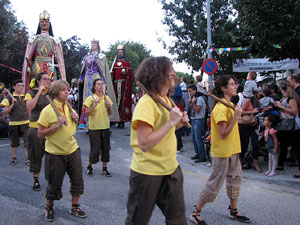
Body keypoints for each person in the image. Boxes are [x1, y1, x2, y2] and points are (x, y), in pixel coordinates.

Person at [125, 56, 189, 225]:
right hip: (147, 173)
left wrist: (177, 123)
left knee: (177, 220)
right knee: (137, 221)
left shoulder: (166, 100)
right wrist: (171, 122)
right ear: (158, 74)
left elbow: (164, 132)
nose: (174, 73)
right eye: (170, 70)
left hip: (170, 169)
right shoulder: (146, 104)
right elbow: (144, 143)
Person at [190, 75, 251, 225]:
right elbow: (223, 134)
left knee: (235, 181)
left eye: (235, 84)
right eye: (232, 84)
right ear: (224, 88)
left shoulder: (229, 105)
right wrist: (236, 117)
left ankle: (234, 211)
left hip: (233, 150)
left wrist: (239, 115)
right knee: (214, 184)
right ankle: (196, 213)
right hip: (222, 152)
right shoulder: (220, 108)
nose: (236, 86)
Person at [37, 80, 85, 222]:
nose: (67, 92)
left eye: (67, 89)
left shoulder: (69, 107)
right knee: (54, 183)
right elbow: (40, 133)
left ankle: (75, 206)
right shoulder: (47, 111)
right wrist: (57, 125)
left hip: (72, 149)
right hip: (55, 152)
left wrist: (75, 120)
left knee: (77, 180)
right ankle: (49, 207)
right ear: (56, 92)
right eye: (63, 89)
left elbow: (72, 130)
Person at [22, 10, 66, 93]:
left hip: (50, 67)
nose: (44, 23)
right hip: (36, 67)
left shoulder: (54, 41)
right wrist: (29, 69)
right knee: (36, 87)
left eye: (46, 21)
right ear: (39, 24)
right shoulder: (34, 40)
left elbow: (59, 60)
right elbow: (29, 57)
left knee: (50, 89)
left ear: (49, 24)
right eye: (42, 21)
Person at [78, 39, 119, 128]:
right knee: (87, 99)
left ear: (98, 46)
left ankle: (100, 119)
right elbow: (84, 69)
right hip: (87, 78)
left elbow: (103, 70)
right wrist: (81, 77)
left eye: (94, 44)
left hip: (96, 77)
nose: (92, 46)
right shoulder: (86, 56)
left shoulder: (101, 56)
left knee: (98, 97)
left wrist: (103, 82)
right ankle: (87, 122)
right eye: (91, 44)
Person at [25, 72, 51, 191]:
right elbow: (30, 107)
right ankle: (36, 179)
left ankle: (51, 178)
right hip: (36, 127)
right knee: (36, 155)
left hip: (50, 128)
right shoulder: (31, 94)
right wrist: (39, 91)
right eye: (44, 79)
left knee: (52, 154)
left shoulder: (50, 94)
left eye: (48, 79)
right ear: (38, 81)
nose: (47, 81)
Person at [84, 79, 113, 176]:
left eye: (102, 84)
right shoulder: (90, 99)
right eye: (98, 84)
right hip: (94, 127)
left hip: (105, 126)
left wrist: (108, 106)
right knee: (95, 149)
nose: (101, 86)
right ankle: (89, 166)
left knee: (106, 148)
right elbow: (87, 114)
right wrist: (94, 105)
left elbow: (110, 113)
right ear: (94, 87)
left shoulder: (106, 98)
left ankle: (105, 169)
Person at [0, 80, 29, 165]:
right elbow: (5, 113)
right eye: (18, 85)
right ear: (14, 87)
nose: (21, 87)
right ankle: (14, 157)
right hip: (14, 123)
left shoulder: (26, 97)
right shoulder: (8, 98)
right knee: (14, 142)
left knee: (27, 141)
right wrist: (12, 104)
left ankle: (27, 158)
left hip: (26, 122)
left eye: (22, 85)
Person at [274, 80, 300, 171]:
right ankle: (280, 164)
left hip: (291, 125)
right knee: (284, 146)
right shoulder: (286, 97)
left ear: (281, 88)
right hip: (285, 124)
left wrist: (281, 106)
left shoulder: (291, 98)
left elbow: (294, 111)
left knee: (295, 147)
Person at [239, 87, 262, 172]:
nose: (260, 93)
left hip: (253, 125)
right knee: (244, 145)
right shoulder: (247, 100)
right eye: (258, 91)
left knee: (255, 144)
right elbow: (240, 112)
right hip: (245, 125)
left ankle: (255, 163)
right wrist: (252, 112)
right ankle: (240, 163)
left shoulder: (257, 101)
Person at [111, 45, 133, 128]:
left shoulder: (127, 64)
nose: (120, 53)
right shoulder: (115, 64)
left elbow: (130, 75)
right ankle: (114, 119)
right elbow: (113, 74)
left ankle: (122, 120)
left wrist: (126, 72)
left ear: (124, 54)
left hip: (124, 85)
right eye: (119, 52)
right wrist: (111, 74)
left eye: (121, 52)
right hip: (116, 84)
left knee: (123, 102)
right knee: (115, 101)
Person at [188, 84, 207, 163]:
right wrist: (190, 103)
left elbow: (197, 110)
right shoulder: (193, 98)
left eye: (190, 91)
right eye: (188, 91)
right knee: (194, 138)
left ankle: (202, 156)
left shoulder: (199, 99)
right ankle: (197, 153)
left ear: (195, 90)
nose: (189, 93)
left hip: (199, 120)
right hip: (193, 119)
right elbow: (191, 108)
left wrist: (193, 103)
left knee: (198, 139)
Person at [287, 74, 300, 178]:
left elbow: (295, 110)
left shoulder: (296, 93)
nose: (288, 83)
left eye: (289, 81)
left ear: (294, 80)